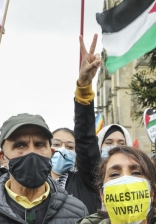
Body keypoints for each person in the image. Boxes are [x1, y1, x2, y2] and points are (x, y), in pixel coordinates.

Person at [47, 34, 106, 214]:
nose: (63, 150)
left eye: (70, 146)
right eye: (57, 145)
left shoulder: (85, 180)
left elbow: (86, 139)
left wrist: (84, 86)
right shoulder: (35, 185)